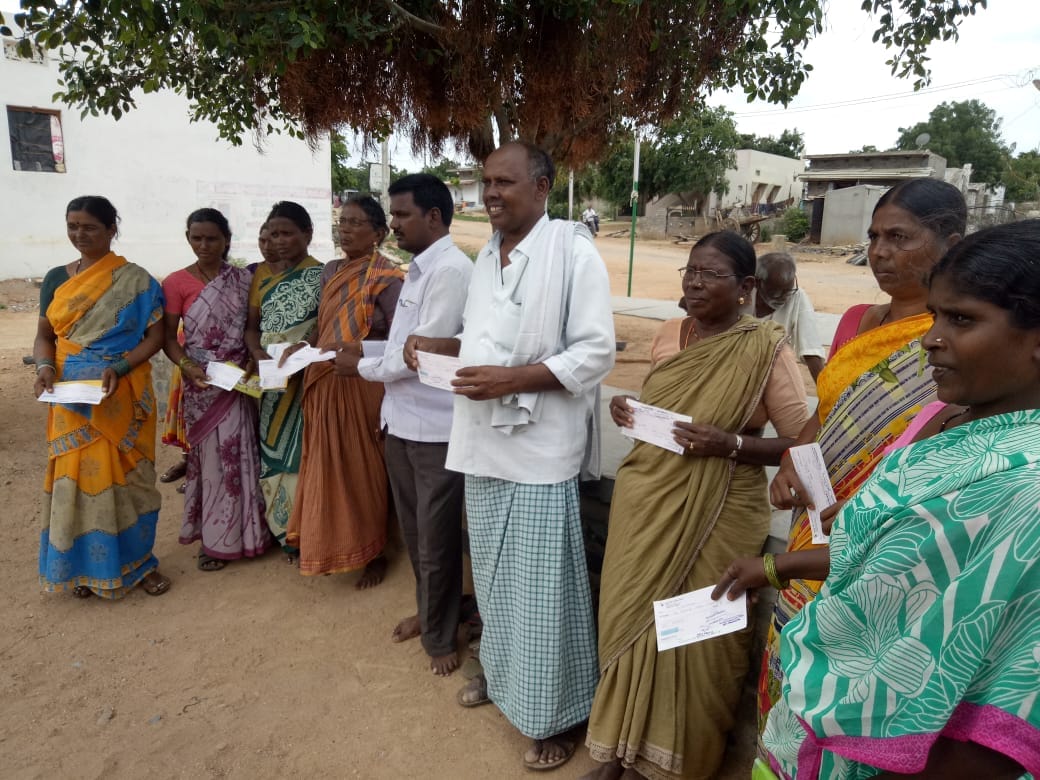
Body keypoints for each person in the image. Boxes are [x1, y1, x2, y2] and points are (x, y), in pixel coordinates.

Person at [761, 219, 1040, 780]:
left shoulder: (1022, 488)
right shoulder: (961, 422)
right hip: (817, 731)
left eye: (961, 319)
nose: (931, 338)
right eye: (936, 315)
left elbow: (993, 727)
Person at [712, 178, 967, 768]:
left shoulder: (959, 337)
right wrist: (792, 462)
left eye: (899, 237)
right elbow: (827, 414)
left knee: (854, 693)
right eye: (874, 236)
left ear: (950, 242)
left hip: (891, 538)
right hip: (816, 525)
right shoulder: (857, 320)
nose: (879, 251)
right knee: (792, 662)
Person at [406, 142, 616, 771]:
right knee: (496, 579)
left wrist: (512, 379)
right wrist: (439, 345)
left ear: (544, 187)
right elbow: (481, 340)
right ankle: (501, 680)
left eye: (505, 181)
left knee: (544, 589)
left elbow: (595, 351)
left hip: (539, 450)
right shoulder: (486, 258)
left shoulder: (571, 250)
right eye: (485, 182)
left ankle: (557, 714)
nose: (491, 192)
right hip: (481, 443)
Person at [582, 231, 810, 780]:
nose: (694, 282)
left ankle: (673, 765)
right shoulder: (667, 334)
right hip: (646, 501)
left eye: (711, 274)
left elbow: (803, 443)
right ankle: (617, 751)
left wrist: (729, 444)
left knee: (696, 636)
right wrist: (628, 408)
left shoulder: (766, 348)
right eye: (690, 271)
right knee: (627, 621)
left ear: (746, 287)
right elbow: (663, 406)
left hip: (721, 512)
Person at [336, 174, 471, 672]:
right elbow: (402, 345)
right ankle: (431, 611)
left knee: (436, 541)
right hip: (402, 422)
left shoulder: (451, 271)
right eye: (392, 216)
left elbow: (420, 355)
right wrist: (365, 350)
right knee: (417, 536)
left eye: (401, 215)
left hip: (436, 429)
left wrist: (362, 367)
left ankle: (440, 637)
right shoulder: (419, 270)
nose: (392, 225)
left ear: (433, 217)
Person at [34, 195, 171, 599]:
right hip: (69, 397)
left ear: (112, 229)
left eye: (90, 227)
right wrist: (44, 368)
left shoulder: (137, 280)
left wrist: (122, 367)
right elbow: (45, 336)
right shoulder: (57, 279)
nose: (80, 234)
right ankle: (86, 568)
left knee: (131, 482)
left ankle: (141, 565)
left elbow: (156, 336)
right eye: (72, 225)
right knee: (75, 482)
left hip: (121, 393)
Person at [284, 196, 403, 584]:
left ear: (379, 233)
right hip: (322, 378)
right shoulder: (332, 270)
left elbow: (396, 336)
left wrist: (354, 349)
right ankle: (330, 539)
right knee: (325, 463)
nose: (345, 229)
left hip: (362, 381)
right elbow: (325, 324)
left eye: (355, 223)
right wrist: (305, 348)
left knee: (364, 465)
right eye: (342, 222)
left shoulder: (388, 276)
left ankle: (377, 550)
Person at [162, 208, 271, 571]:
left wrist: (253, 359)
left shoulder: (243, 279)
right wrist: (188, 367)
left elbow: (250, 329)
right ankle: (212, 539)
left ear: (226, 240)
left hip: (238, 381)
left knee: (240, 457)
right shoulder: (176, 282)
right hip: (201, 384)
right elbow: (169, 339)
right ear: (188, 238)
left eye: (211, 238)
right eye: (196, 238)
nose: (203, 245)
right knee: (208, 463)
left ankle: (250, 534)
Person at [244, 201, 323, 559]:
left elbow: (328, 327)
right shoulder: (262, 280)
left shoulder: (324, 275)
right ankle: (282, 531)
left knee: (304, 454)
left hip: (309, 380)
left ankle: (307, 531)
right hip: (272, 384)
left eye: (287, 233)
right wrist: (259, 354)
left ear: (307, 234)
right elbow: (251, 328)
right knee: (272, 452)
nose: (278, 241)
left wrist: (306, 350)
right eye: (273, 233)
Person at [754, 252, 826, 382]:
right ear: (758, 283)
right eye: (776, 292)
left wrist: (827, 393)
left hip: (772, 376)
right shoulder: (742, 292)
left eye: (787, 291)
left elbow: (811, 349)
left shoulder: (796, 295)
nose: (783, 297)